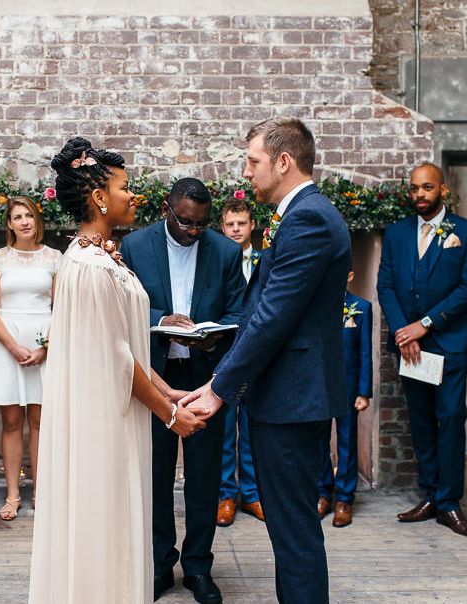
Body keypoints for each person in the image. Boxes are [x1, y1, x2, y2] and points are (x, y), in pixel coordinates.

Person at [28, 137, 207, 604]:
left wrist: (168, 392)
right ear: (99, 198)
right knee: (103, 519)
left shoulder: (105, 257)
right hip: (101, 420)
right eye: (124, 187)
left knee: (121, 518)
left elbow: (126, 348)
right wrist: (170, 417)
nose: (133, 196)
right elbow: (114, 360)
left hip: (120, 412)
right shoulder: (88, 267)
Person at [181, 116, 351, 604]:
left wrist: (217, 389)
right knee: (287, 523)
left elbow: (275, 315)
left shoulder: (310, 218)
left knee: (293, 528)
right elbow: (266, 310)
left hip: (294, 399)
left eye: (253, 162)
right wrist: (219, 349)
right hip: (286, 396)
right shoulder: (300, 214)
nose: (247, 172)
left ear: (283, 161)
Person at [121, 178, 246, 604]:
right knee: (154, 475)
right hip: (154, 377)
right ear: (165, 209)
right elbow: (123, 304)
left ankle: (198, 566)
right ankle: (159, 565)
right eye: (185, 221)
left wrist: (210, 337)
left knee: (204, 477)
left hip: (205, 375)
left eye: (200, 224)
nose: (193, 230)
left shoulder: (226, 251)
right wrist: (161, 318)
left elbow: (238, 312)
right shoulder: (136, 246)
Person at [377, 162, 467, 536]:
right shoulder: (397, 234)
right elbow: (385, 285)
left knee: (449, 418)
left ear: (442, 191)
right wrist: (404, 332)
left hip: (448, 343)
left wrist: (425, 325)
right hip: (410, 347)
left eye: (427, 188)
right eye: (415, 188)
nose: (419, 194)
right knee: (420, 420)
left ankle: (449, 502)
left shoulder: (463, 232)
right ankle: (429, 494)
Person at [0, 196, 62, 519]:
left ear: (36, 220)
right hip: (7, 343)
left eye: (29, 215)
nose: (24, 221)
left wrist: (46, 347)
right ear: (9, 224)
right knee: (11, 422)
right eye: (17, 216)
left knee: (40, 421)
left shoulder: (54, 257)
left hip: (44, 343)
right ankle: (13, 493)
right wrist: (12, 346)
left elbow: (61, 307)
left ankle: (41, 491)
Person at [217, 200, 264, 527]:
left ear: (252, 226)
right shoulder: (219, 260)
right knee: (223, 429)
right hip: (224, 353)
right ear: (222, 226)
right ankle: (225, 494)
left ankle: (251, 493)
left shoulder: (266, 260)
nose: (236, 229)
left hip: (258, 355)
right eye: (230, 224)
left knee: (251, 428)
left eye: (241, 223)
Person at [318, 268, 373, 528]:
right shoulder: (314, 305)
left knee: (347, 441)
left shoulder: (361, 307)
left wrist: (364, 391)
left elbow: (365, 352)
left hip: (349, 387)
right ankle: (322, 492)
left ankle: (344, 498)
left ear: (350, 275)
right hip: (318, 386)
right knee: (318, 440)